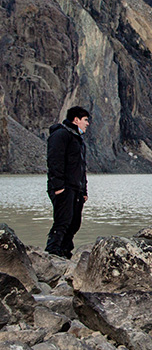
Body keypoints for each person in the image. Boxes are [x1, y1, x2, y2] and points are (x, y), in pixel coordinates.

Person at [45, 106, 91, 258]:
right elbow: (54, 161)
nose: (87, 123)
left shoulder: (78, 139)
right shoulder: (60, 135)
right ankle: (52, 252)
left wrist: (84, 191)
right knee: (62, 221)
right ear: (76, 120)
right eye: (85, 120)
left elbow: (81, 167)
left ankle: (65, 251)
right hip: (64, 187)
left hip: (76, 188)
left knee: (74, 222)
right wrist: (58, 186)